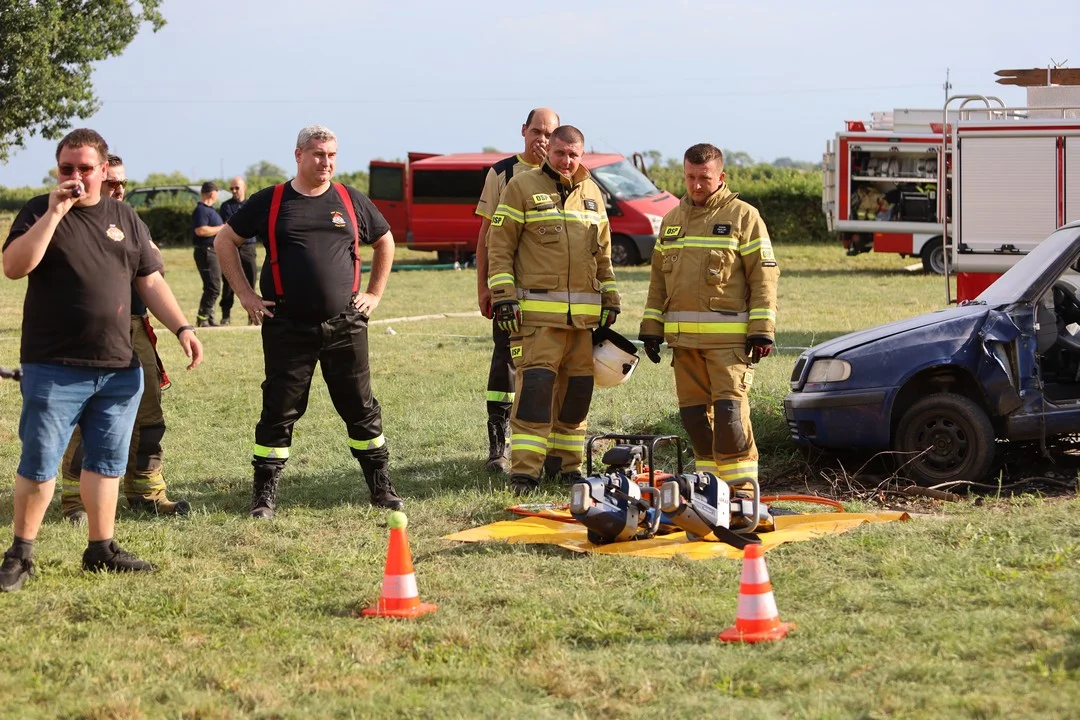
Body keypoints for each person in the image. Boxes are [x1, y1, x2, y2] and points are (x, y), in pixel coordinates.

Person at [0, 129, 203, 592]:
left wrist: (183, 329)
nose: (75, 177)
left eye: (85, 168)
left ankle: (101, 549)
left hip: (117, 368)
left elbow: (150, 281)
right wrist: (55, 211)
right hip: (54, 364)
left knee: (106, 464)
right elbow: (14, 266)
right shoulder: (39, 210)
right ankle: (21, 553)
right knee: (39, 462)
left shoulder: (126, 218)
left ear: (104, 169)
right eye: (66, 168)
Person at [214, 124, 404, 519]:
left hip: (346, 325)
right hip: (287, 325)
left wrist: (374, 294)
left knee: (361, 406)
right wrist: (247, 296)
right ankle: (264, 495)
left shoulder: (350, 200)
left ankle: (380, 486)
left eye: (332, 154)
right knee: (279, 409)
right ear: (298, 155)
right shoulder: (272, 200)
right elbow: (224, 241)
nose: (326, 161)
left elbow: (384, 240)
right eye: (319, 154)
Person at [486, 125, 621, 496]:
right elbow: (499, 247)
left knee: (576, 396)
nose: (566, 161)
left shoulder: (593, 194)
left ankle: (567, 469)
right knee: (535, 394)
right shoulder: (521, 187)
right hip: (537, 321)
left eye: (573, 155)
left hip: (582, 325)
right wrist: (503, 296)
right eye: (559, 153)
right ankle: (525, 473)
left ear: (582, 155)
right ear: (549, 151)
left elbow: (603, 256)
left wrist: (610, 298)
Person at [638, 143, 779, 489]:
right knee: (695, 420)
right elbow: (658, 281)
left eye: (704, 177)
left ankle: (743, 494)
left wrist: (762, 330)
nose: (696, 185)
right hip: (684, 347)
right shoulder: (672, 221)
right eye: (690, 177)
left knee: (730, 421)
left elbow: (765, 275)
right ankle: (708, 489)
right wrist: (652, 328)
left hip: (729, 346)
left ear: (721, 177)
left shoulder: (745, 217)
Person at [59, 154, 191, 521]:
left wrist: (182, 328)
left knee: (149, 415)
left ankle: (147, 491)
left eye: (122, 183)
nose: (118, 189)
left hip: (135, 327)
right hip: (87, 333)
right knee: (88, 415)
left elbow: (152, 273)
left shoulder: (132, 222)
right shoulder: (70, 221)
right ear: (97, 177)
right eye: (112, 182)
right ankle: (76, 502)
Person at [474, 108, 559, 473]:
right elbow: (485, 237)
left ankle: (549, 443)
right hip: (509, 288)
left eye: (549, 133)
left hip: (552, 291)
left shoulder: (564, 173)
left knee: (550, 363)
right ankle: (498, 445)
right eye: (536, 131)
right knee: (505, 361)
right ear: (523, 131)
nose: (542, 139)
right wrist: (483, 285)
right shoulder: (502, 173)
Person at [218, 176, 257, 325]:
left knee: (251, 280)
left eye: (237, 188)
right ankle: (225, 316)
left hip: (248, 247)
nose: (234, 191)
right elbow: (228, 225)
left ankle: (252, 317)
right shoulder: (226, 206)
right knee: (229, 282)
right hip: (232, 247)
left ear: (244, 187)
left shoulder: (251, 204)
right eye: (231, 188)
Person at [192, 181, 225, 327]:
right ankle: (202, 317)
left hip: (213, 252)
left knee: (212, 286)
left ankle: (209, 317)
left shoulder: (210, 210)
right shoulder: (201, 210)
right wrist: (222, 228)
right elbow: (200, 230)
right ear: (212, 193)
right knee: (213, 286)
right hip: (206, 252)